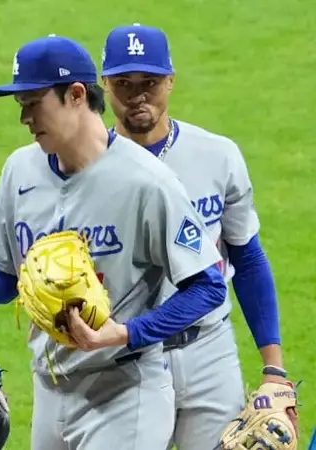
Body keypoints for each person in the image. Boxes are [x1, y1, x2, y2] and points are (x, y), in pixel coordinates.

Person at [0, 35, 229, 449]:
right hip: (51, 390)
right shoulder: (20, 170)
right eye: (21, 106)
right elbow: (4, 279)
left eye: (33, 103)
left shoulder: (148, 182)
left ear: (75, 95)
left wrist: (124, 333)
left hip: (125, 392)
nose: (25, 119)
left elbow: (208, 287)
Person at [100, 23, 296, 449]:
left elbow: (248, 258)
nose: (138, 95)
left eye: (150, 82)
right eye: (124, 83)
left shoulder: (217, 155)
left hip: (210, 351)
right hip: (127, 359)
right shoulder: (91, 167)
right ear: (104, 86)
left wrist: (274, 369)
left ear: (170, 80)